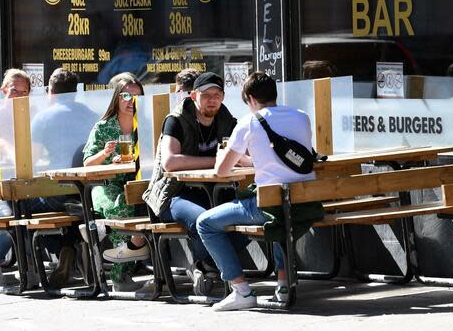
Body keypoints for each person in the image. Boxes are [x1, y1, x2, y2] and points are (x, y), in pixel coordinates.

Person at [196, 72, 324, 311]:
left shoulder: (250, 122)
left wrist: (226, 155)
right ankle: (283, 285)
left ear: (251, 99)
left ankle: (241, 290)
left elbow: (222, 171)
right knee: (279, 215)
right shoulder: (302, 117)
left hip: (269, 205)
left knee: (205, 223)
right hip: (304, 203)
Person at [0, 69, 76, 289]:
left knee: (43, 206)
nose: (19, 96)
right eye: (14, 91)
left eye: (24, 92)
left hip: (25, 185)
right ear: (3, 91)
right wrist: (2, 150)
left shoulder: (34, 116)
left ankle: (41, 261)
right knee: (10, 213)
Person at [142, 72, 240, 296]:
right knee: (201, 219)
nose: (212, 100)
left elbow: (241, 152)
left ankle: (205, 265)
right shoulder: (176, 120)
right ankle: (209, 265)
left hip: (213, 192)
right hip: (172, 193)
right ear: (194, 95)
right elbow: (170, 162)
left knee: (246, 216)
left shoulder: (226, 119)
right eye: (206, 95)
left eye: (217, 95)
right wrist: (216, 161)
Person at [82, 73, 149, 291]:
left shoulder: (147, 125)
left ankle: (124, 265)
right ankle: (120, 277)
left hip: (137, 183)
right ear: (117, 99)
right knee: (122, 206)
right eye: (127, 96)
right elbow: (88, 163)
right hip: (106, 184)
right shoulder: (103, 127)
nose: (132, 102)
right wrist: (105, 154)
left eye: (137, 97)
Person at [31, 68, 98, 169]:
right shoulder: (93, 115)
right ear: (75, 92)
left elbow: (32, 159)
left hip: (60, 178)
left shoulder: (41, 119)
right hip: (90, 175)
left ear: (51, 92)